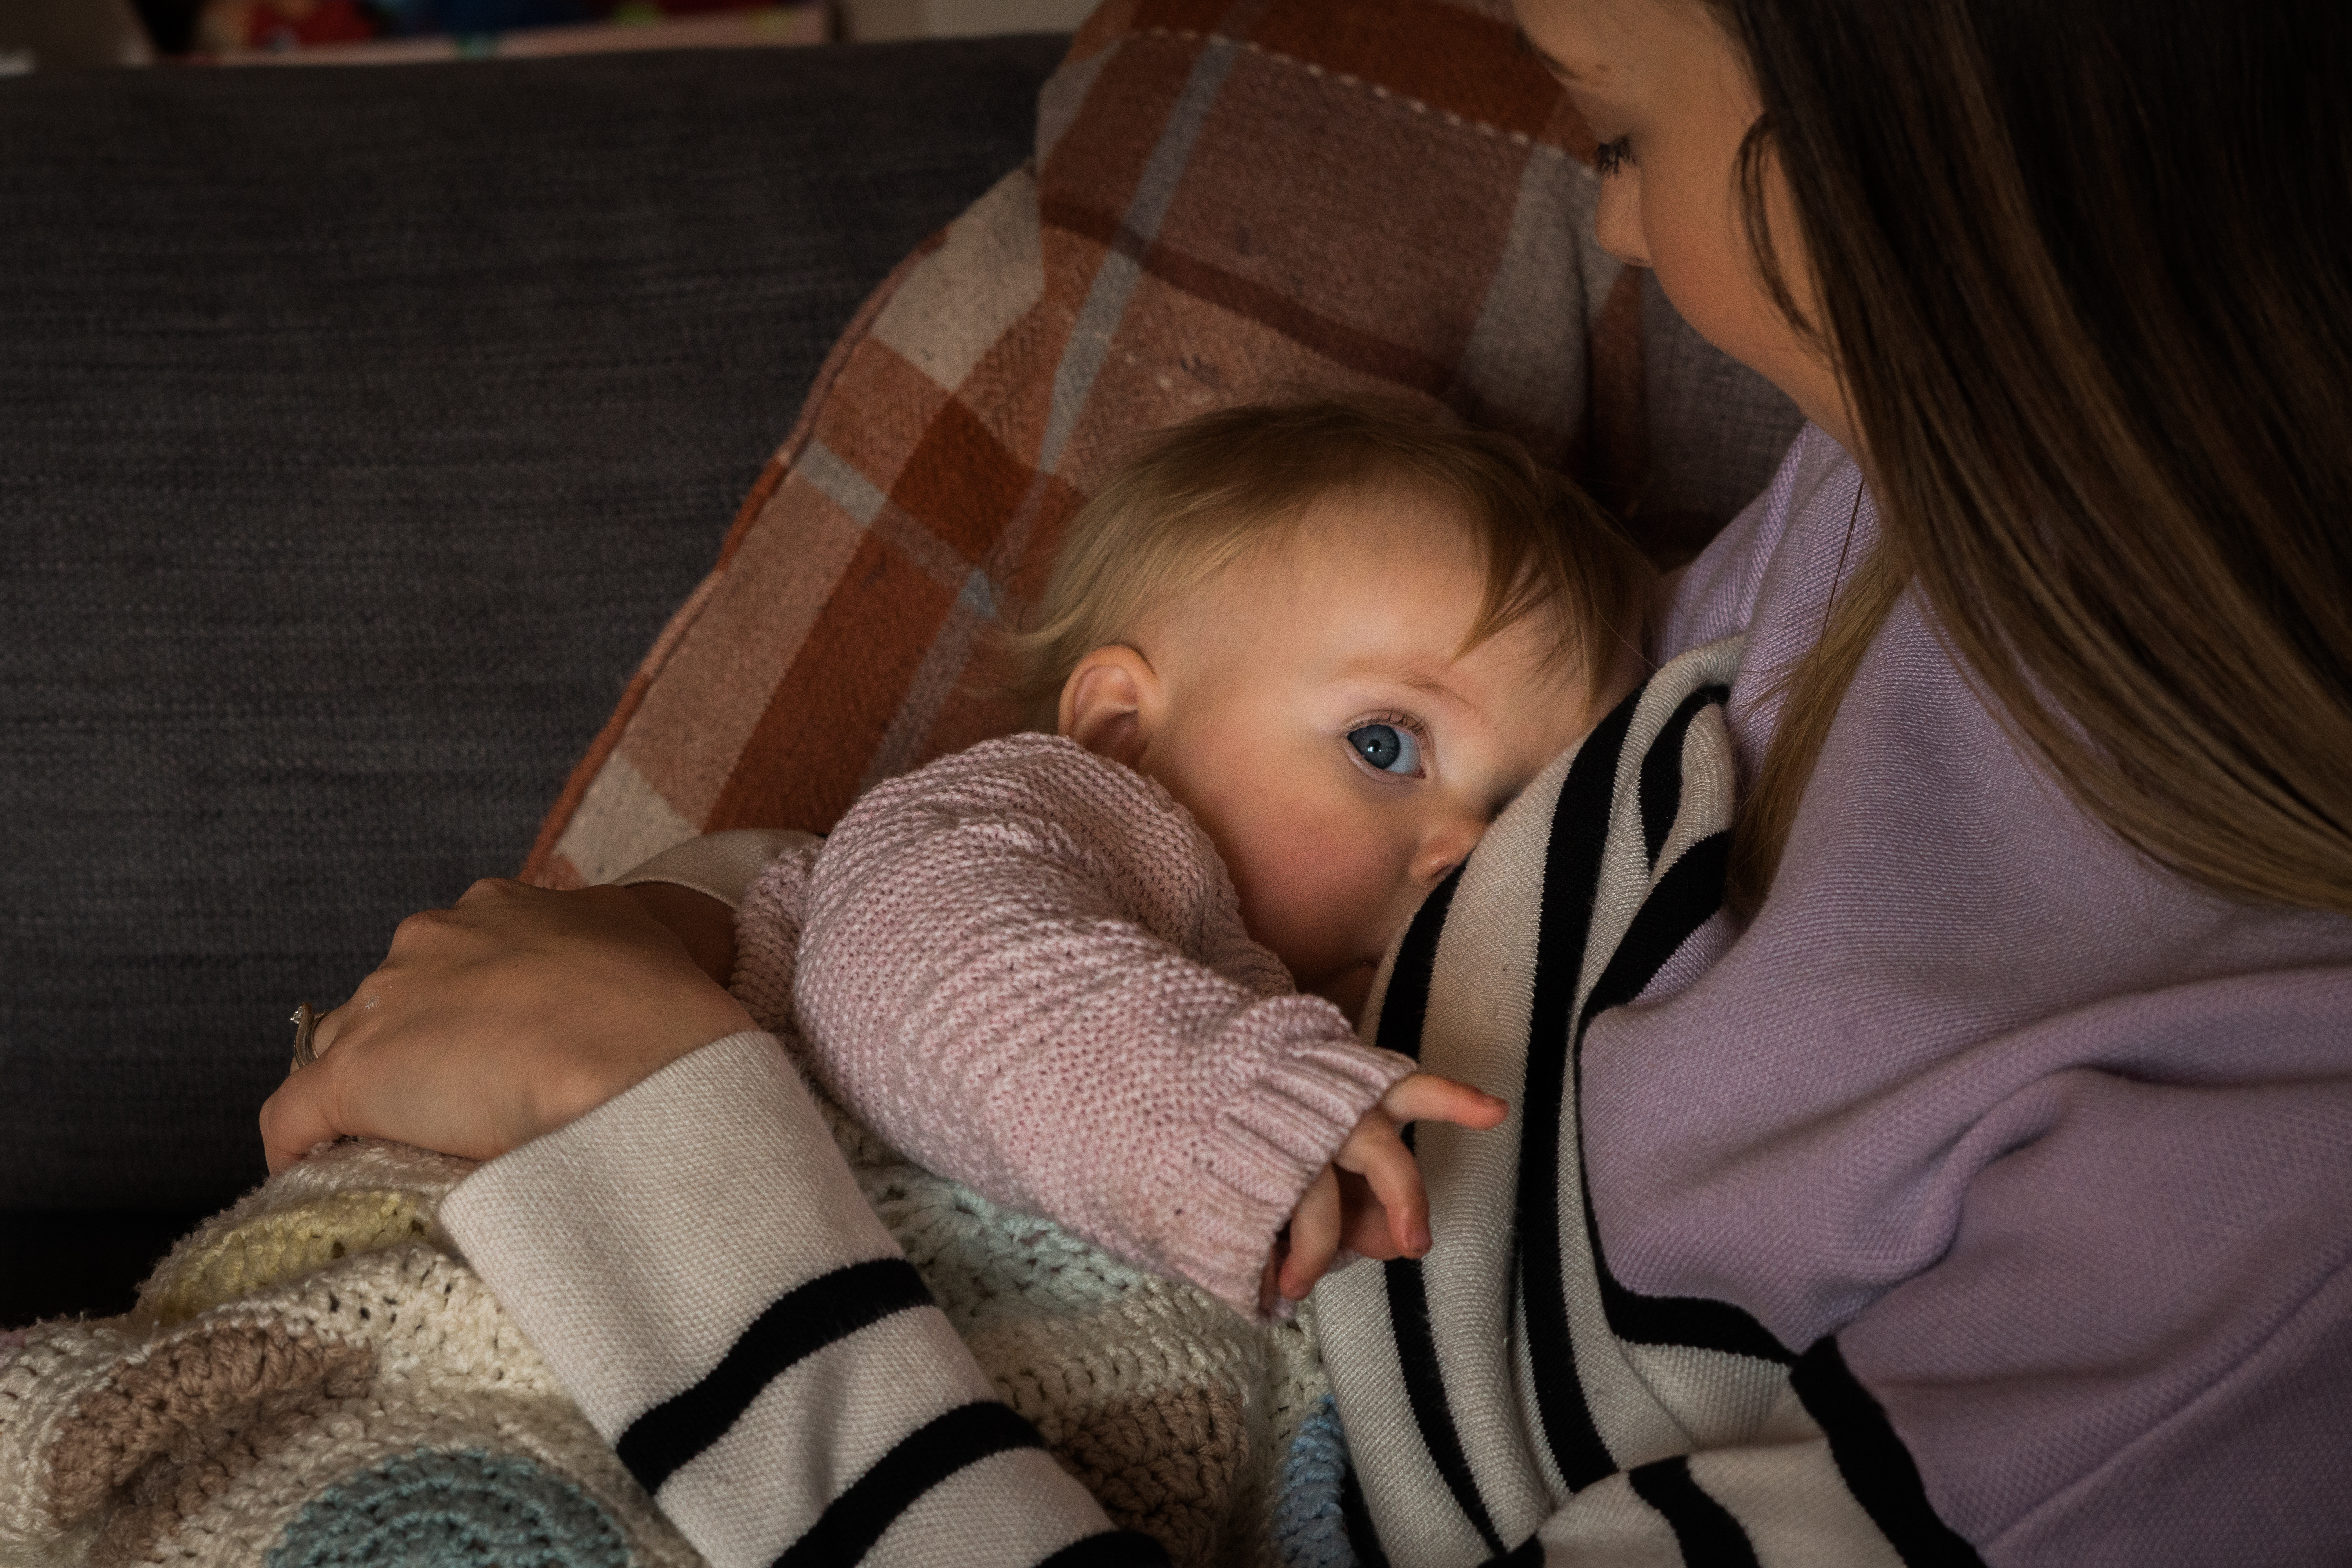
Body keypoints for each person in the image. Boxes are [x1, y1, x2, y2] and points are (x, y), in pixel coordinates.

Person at [259, 0, 2352, 1563]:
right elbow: (964, 895)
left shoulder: (2261, 1195)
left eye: (1623, 134)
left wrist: (634, 1116)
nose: (1614, 240)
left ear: (1876, 180)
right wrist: (658, 939)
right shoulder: (1908, 508)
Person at [632, 397, 1651, 1318]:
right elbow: (913, 966)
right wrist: (1237, 1104)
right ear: (1124, 733)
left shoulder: (1398, 1041)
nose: (1473, 855)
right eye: (1385, 744)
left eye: (1526, 816)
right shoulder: (1039, 821)